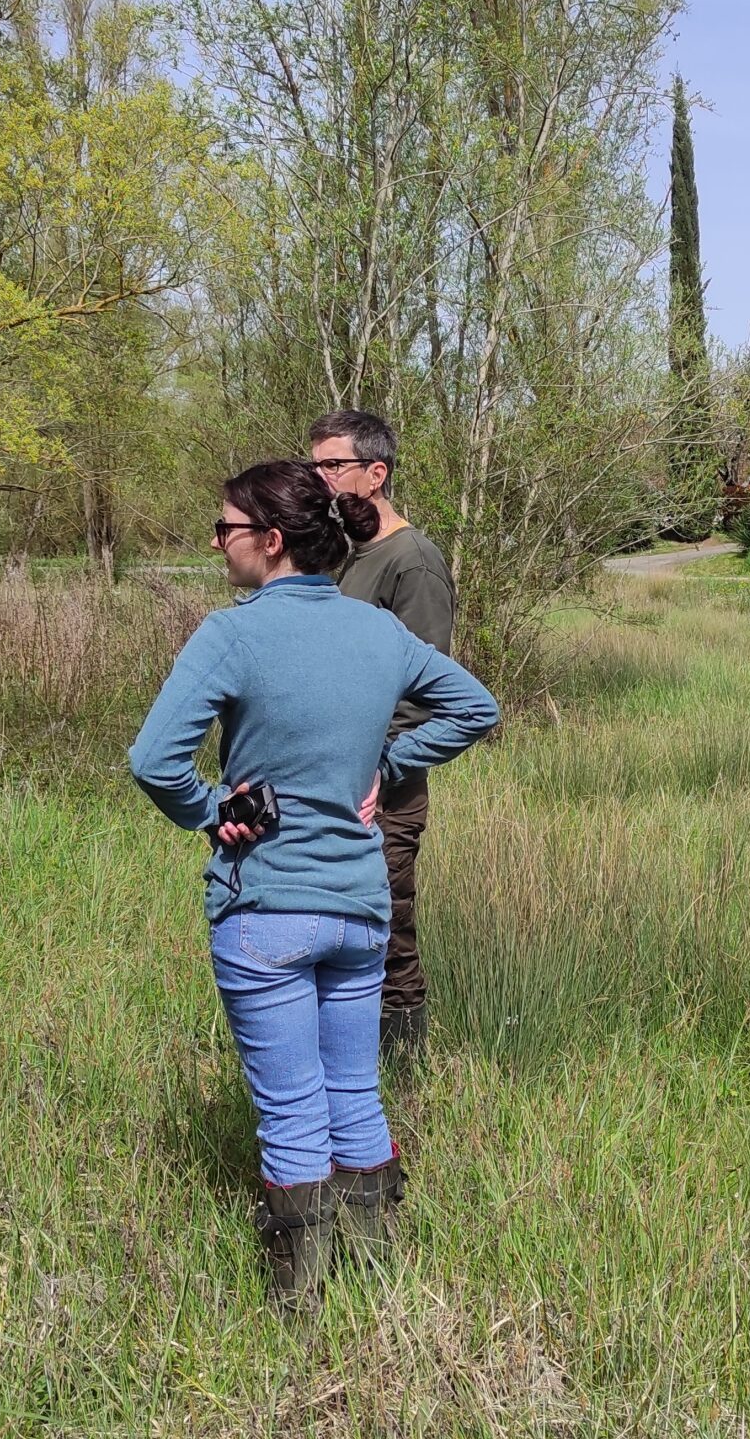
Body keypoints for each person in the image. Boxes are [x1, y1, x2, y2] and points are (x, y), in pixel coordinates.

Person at [128, 460, 498, 1310]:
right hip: (360, 911)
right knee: (355, 1096)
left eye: (224, 529)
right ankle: (379, 1286)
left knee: (294, 1114)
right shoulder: (376, 632)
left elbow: (152, 762)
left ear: (269, 539)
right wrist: (388, 762)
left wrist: (209, 808)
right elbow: (475, 707)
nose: (216, 544)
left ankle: (301, 1306)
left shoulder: (233, 632)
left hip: (267, 911)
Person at [309, 410, 457, 1053]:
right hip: (327, 784)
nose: (320, 478)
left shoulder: (412, 562)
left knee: (386, 932)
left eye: (332, 466)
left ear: (377, 473)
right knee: (329, 932)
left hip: (384, 796)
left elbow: (428, 692)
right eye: (313, 465)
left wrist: (381, 767)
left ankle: (401, 1076)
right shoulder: (343, 552)